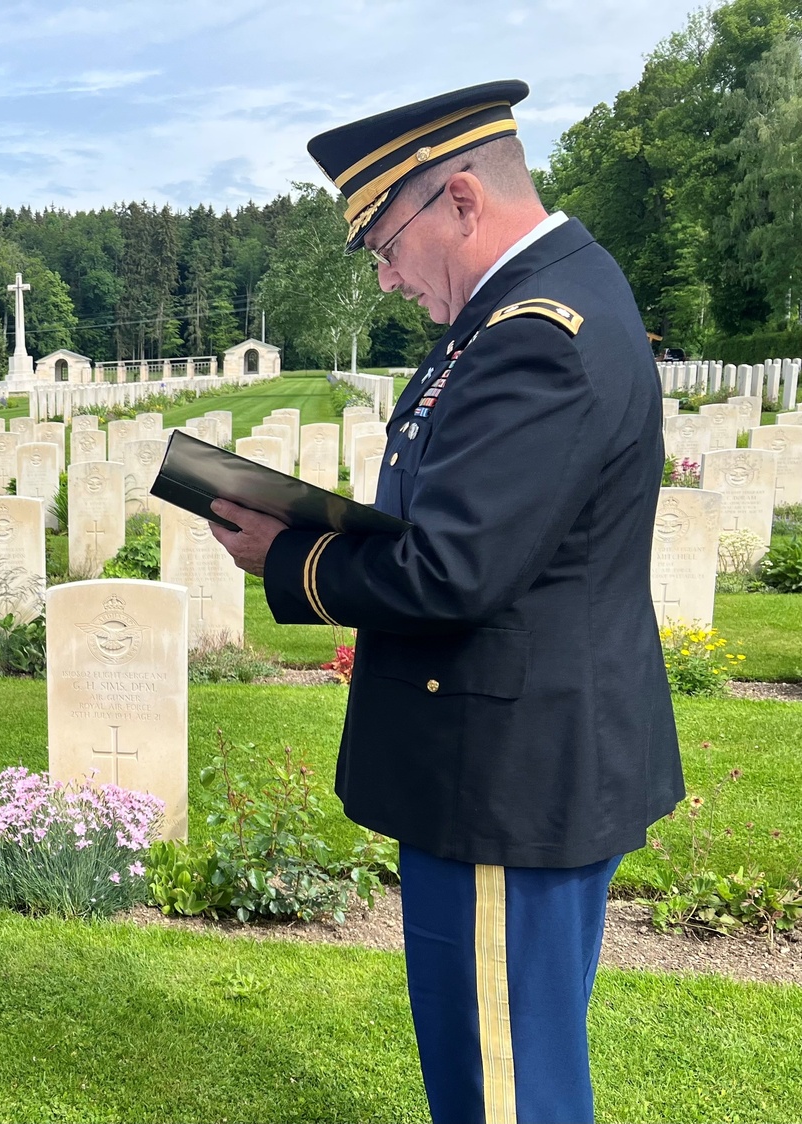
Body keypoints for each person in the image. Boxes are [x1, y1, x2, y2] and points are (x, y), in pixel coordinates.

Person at [209, 80, 684, 1124]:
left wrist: (288, 555)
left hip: (500, 779)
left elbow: (450, 570)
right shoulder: (538, 300)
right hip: (518, 757)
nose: (382, 275)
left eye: (384, 240)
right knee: (509, 1066)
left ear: (461, 200)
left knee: (502, 1088)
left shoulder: (531, 331)